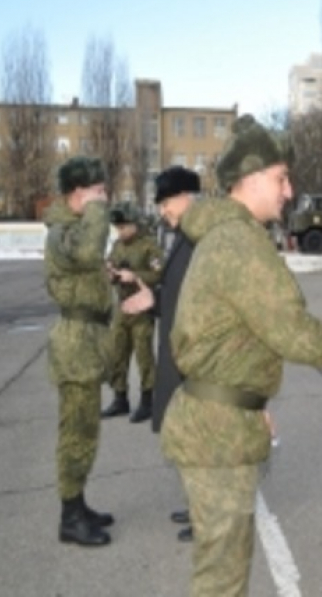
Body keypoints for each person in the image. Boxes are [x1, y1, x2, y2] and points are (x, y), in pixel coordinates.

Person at [158, 119, 322, 596]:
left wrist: (249, 404)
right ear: (251, 179)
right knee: (222, 579)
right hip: (217, 434)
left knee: (220, 568)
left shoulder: (222, 235)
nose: (289, 190)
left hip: (215, 419)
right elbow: (293, 333)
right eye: (281, 178)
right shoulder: (240, 243)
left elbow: (232, 338)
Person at [121, 165, 201, 542]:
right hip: (176, 351)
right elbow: (176, 293)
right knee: (185, 436)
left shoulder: (201, 238)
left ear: (188, 197)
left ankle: (206, 516)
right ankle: (196, 505)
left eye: (167, 201)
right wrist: (154, 299)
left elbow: (197, 302)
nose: (164, 210)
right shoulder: (183, 235)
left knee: (198, 439)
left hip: (192, 360)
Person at [43, 156, 115, 547]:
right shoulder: (63, 233)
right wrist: (98, 213)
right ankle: (70, 516)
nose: (103, 198)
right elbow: (87, 254)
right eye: (97, 191)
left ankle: (78, 502)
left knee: (85, 430)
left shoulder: (73, 229)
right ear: (76, 193)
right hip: (75, 346)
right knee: (76, 433)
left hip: (86, 343)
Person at [101, 201, 162, 422]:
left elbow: (159, 273)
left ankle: (147, 402)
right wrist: (110, 273)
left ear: (135, 224)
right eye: (118, 227)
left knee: (144, 355)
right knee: (117, 352)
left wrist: (135, 276)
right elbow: (109, 264)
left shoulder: (148, 245)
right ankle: (120, 399)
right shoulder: (118, 246)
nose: (121, 231)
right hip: (122, 306)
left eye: (125, 226)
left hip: (142, 308)